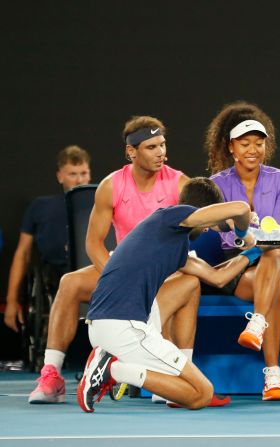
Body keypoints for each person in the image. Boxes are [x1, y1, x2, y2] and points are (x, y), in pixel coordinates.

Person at [28, 116, 200, 405]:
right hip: (122, 268)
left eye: (163, 145)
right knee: (69, 282)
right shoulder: (112, 185)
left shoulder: (179, 183)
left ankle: (176, 378)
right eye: (151, 147)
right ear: (132, 152)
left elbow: (196, 230)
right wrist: (116, 279)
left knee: (190, 283)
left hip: (162, 272)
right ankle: (51, 376)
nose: (161, 153)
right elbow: (93, 243)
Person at [78, 178, 259, 412]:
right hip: (123, 327)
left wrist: (255, 251)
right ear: (203, 212)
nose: (206, 230)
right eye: (208, 221)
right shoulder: (170, 216)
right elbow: (241, 209)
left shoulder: (171, 243)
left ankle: (110, 366)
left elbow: (217, 278)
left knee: (195, 396)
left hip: (110, 326)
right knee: (203, 393)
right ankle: (111, 369)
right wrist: (243, 233)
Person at [205, 102, 280, 401]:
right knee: (274, 287)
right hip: (240, 266)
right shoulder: (217, 184)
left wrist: (245, 233)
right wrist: (248, 237)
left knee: (275, 253)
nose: (253, 150)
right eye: (245, 144)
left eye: (259, 143)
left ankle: (256, 322)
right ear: (232, 147)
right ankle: (273, 377)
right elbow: (223, 238)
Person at [4, 146, 91, 333]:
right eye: (72, 174)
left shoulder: (101, 204)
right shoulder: (40, 206)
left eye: (83, 173)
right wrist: (12, 300)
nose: (79, 179)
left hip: (93, 271)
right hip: (55, 274)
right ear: (60, 176)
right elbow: (23, 253)